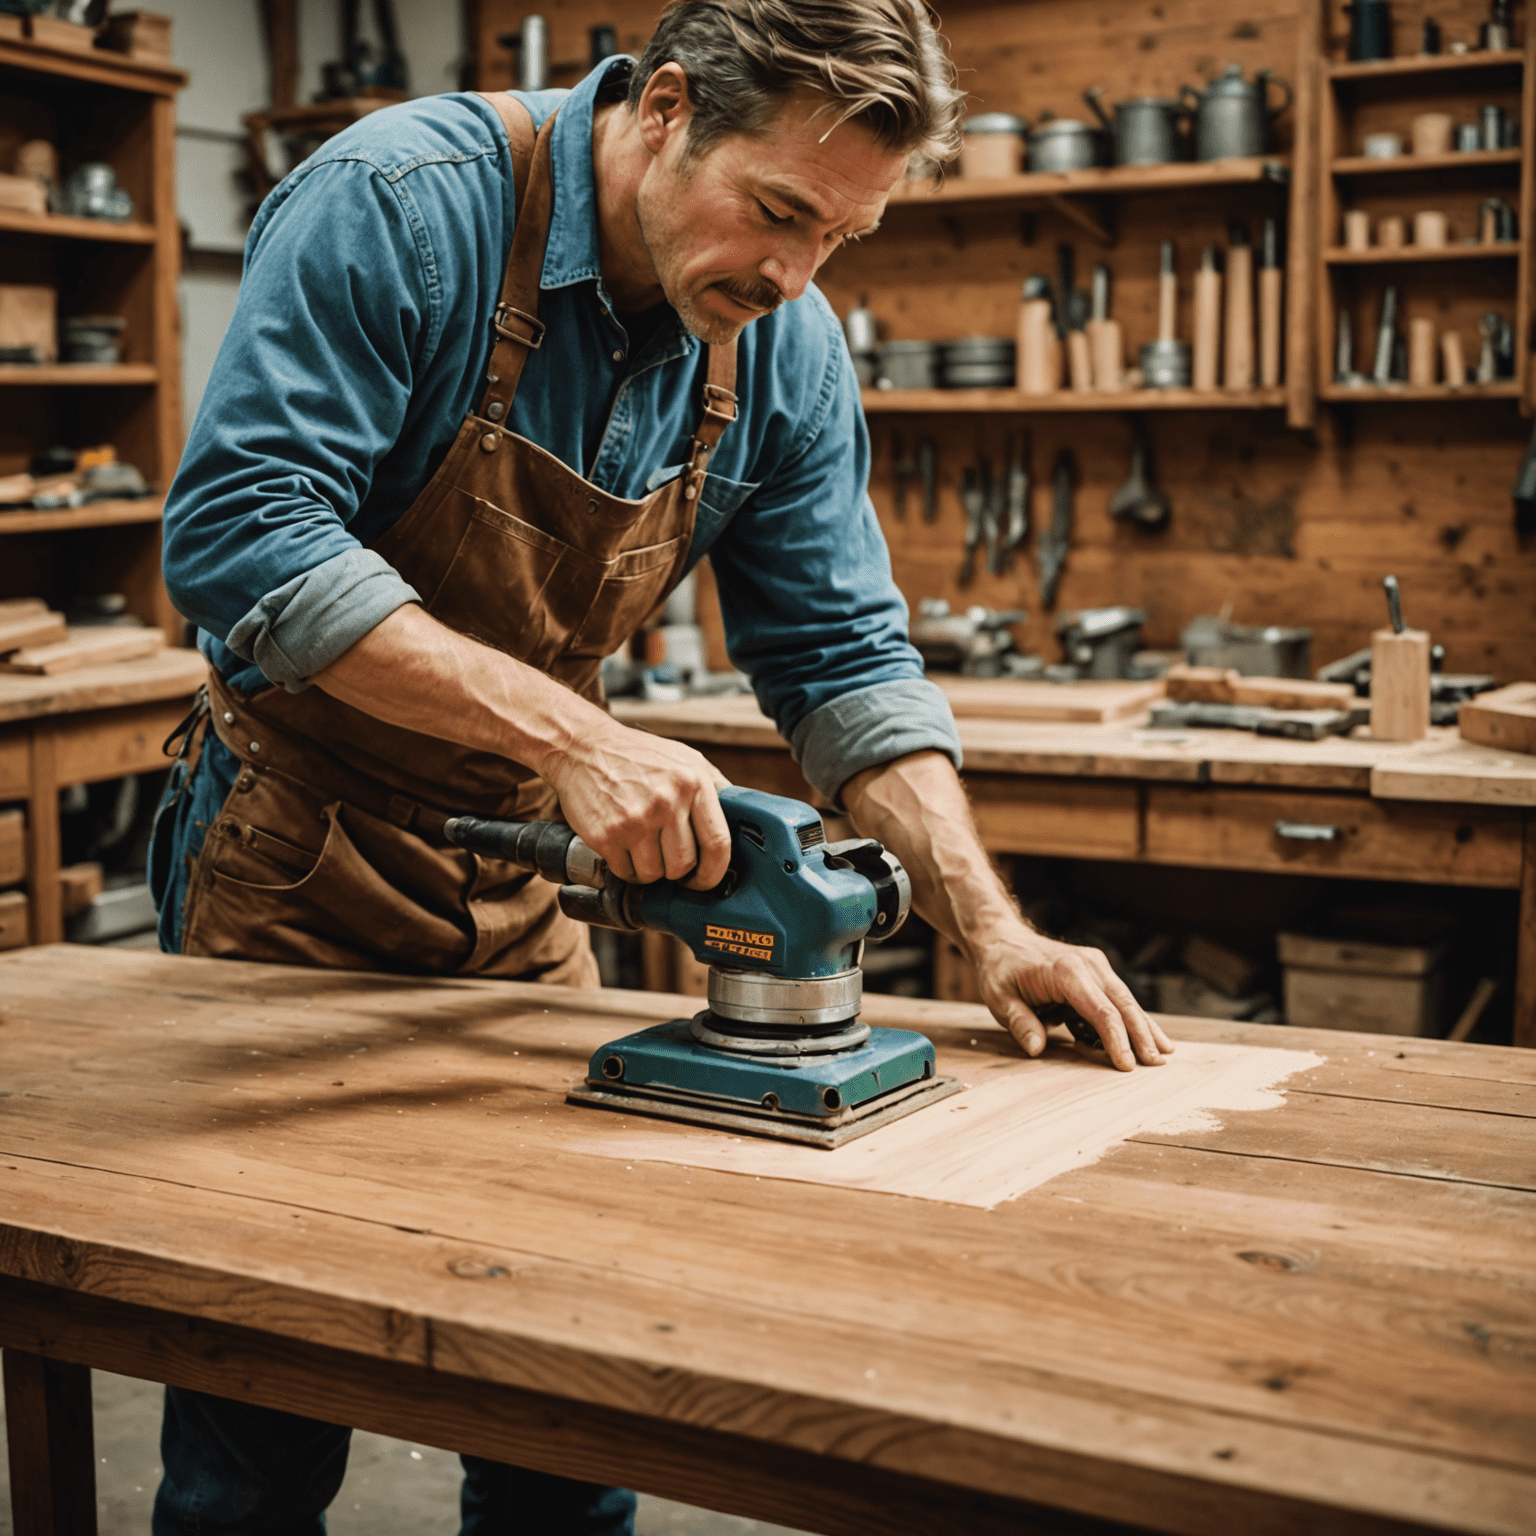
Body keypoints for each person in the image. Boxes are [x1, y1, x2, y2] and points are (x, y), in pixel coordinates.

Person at [149, 1, 1175, 1530]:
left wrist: (988, 924)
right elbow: (241, 538)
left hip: (526, 891)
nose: (792, 277)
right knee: (265, 1425)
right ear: (667, 105)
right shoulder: (403, 203)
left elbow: (839, 659)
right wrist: (577, 735)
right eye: (776, 212)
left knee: (571, 1404)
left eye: (840, 237)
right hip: (296, 862)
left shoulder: (780, 344)